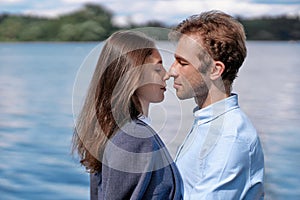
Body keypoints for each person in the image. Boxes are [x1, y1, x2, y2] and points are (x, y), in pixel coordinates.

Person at [72, 30, 183, 200]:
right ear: (133, 74)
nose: (166, 75)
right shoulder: (135, 139)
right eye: (157, 68)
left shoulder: (112, 134)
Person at [166, 10, 264, 199]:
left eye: (182, 63)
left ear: (215, 70)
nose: (171, 71)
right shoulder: (209, 123)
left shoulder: (229, 139)